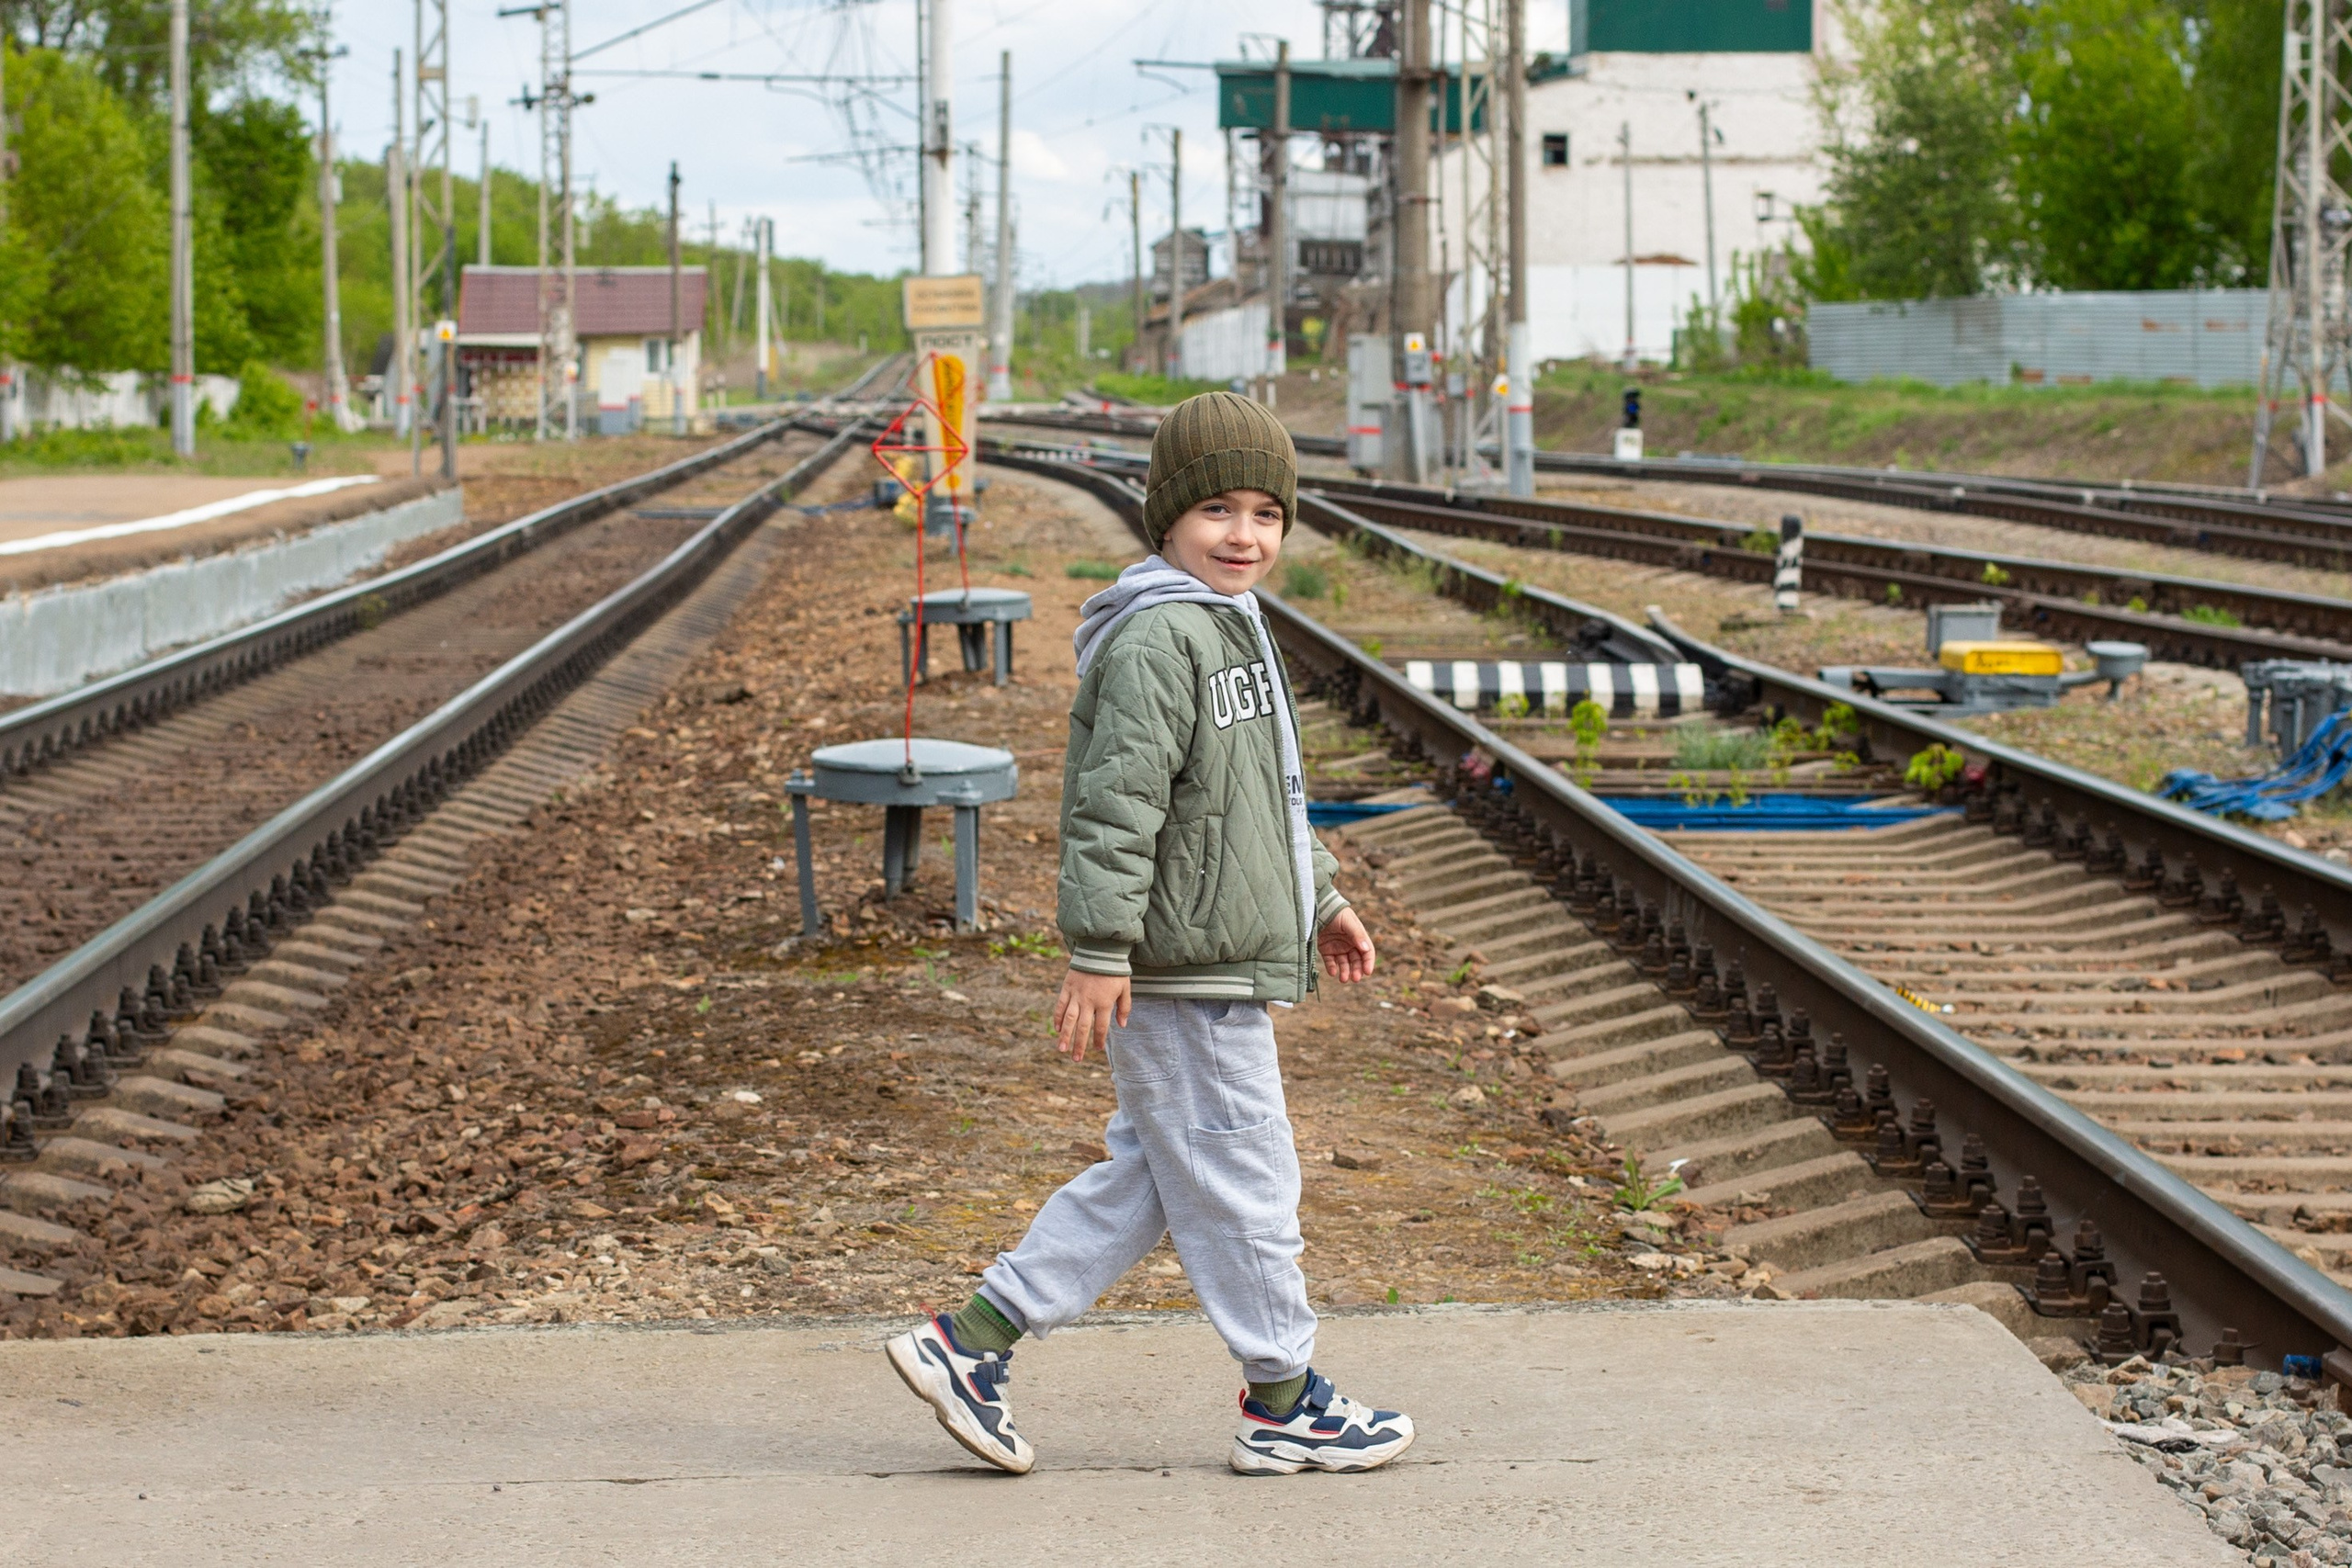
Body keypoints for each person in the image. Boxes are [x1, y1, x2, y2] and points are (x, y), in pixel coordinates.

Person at [886, 391, 1414, 1478]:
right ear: (1166, 517)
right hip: (1179, 967)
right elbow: (1113, 806)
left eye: (1267, 514)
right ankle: (1283, 1401)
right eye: (1217, 510)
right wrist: (1097, 949)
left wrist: (1320, 895)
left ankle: (968, 1345)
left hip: (1207, 955)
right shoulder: (1161, 639)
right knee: (1245, 1176)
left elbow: (1269, 795)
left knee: (1161, 1175)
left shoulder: (1232, 625)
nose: (1244, 536)